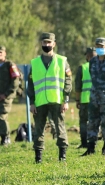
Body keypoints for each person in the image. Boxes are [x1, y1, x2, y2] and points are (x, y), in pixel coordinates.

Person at [27, 32, 72, 163]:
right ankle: (38, 157)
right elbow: (30, 84)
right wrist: (32, 102)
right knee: (38, 129)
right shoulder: (34, 63)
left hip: (57, 101)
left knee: (60, 127)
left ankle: (62, 155)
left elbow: (68, 81)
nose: (46, 45)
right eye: (44, 42)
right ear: (41, 43)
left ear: (54, 44)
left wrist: (66, 100)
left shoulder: (62, 61)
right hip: (39, 102)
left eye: (49, 42)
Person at [75, 47, 96, 148]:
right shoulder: (101, 66)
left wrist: (77, 100)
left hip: (85, 100)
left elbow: (78, 86)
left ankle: (84, 143)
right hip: (97, 99)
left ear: (88, 56)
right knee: (96, 121)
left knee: (83, 122)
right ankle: (94, 141)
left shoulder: (82, 68)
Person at [0, 46, 20, 145]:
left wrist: (6, 94)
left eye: (0, 52)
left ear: (5, 53)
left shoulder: (10, 65)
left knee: (2, 115)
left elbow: (16, 81)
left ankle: (6, 138)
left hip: (6, 96)